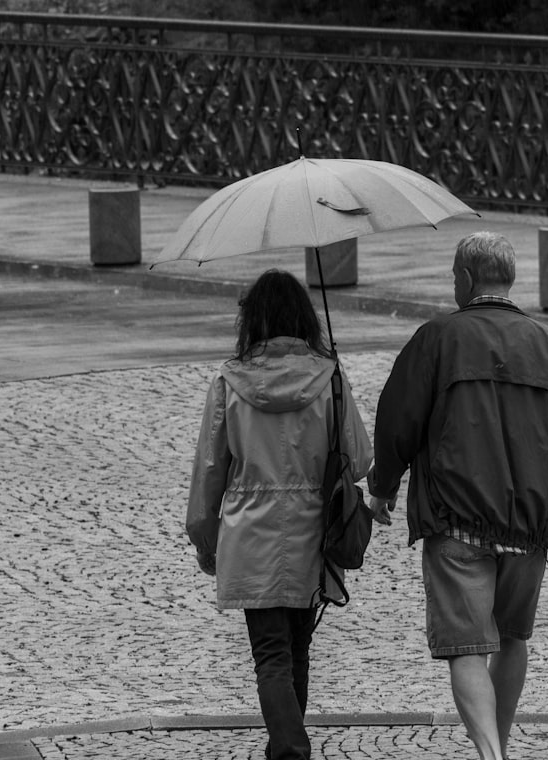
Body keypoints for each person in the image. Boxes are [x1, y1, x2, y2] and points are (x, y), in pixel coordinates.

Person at [368, 231, 548, 760]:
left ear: (464, 278)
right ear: (512, 279)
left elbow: (396, 422)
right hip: (527, 526)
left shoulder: (436, 339)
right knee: (511, 637)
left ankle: (490, 755)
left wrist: (381, 489)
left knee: (467, 647)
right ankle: (497, 747)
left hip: (456, 521)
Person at [186, 269, 372, 760]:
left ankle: (288, 749)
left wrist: (205, 539)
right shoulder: (328, 376)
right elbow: (360, 456)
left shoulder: (229, 382)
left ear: (252, 321)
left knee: (270, 655)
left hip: (251, 532)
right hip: (314, 528)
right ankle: (286, 748)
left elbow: (210, 468)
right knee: (297, 650)